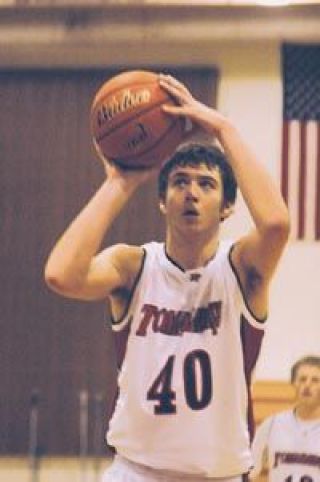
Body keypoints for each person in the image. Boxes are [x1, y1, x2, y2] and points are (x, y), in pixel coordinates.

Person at [44, 74, 290, 482]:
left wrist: (223, 128)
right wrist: (119, 183)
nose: (191, 191)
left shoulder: (241, 269)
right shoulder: (133, 266)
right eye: (180, 182)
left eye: (206, 184)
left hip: (219, 473)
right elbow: (61, 275)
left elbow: (277, 223)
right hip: (136, 470)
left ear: (227, 206)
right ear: (162, 200)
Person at [250, 356, 320, 482]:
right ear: (293, 383)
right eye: (302, 379)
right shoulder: (272, 424)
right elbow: (250, 470)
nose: (307, 385)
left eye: (315, 380)